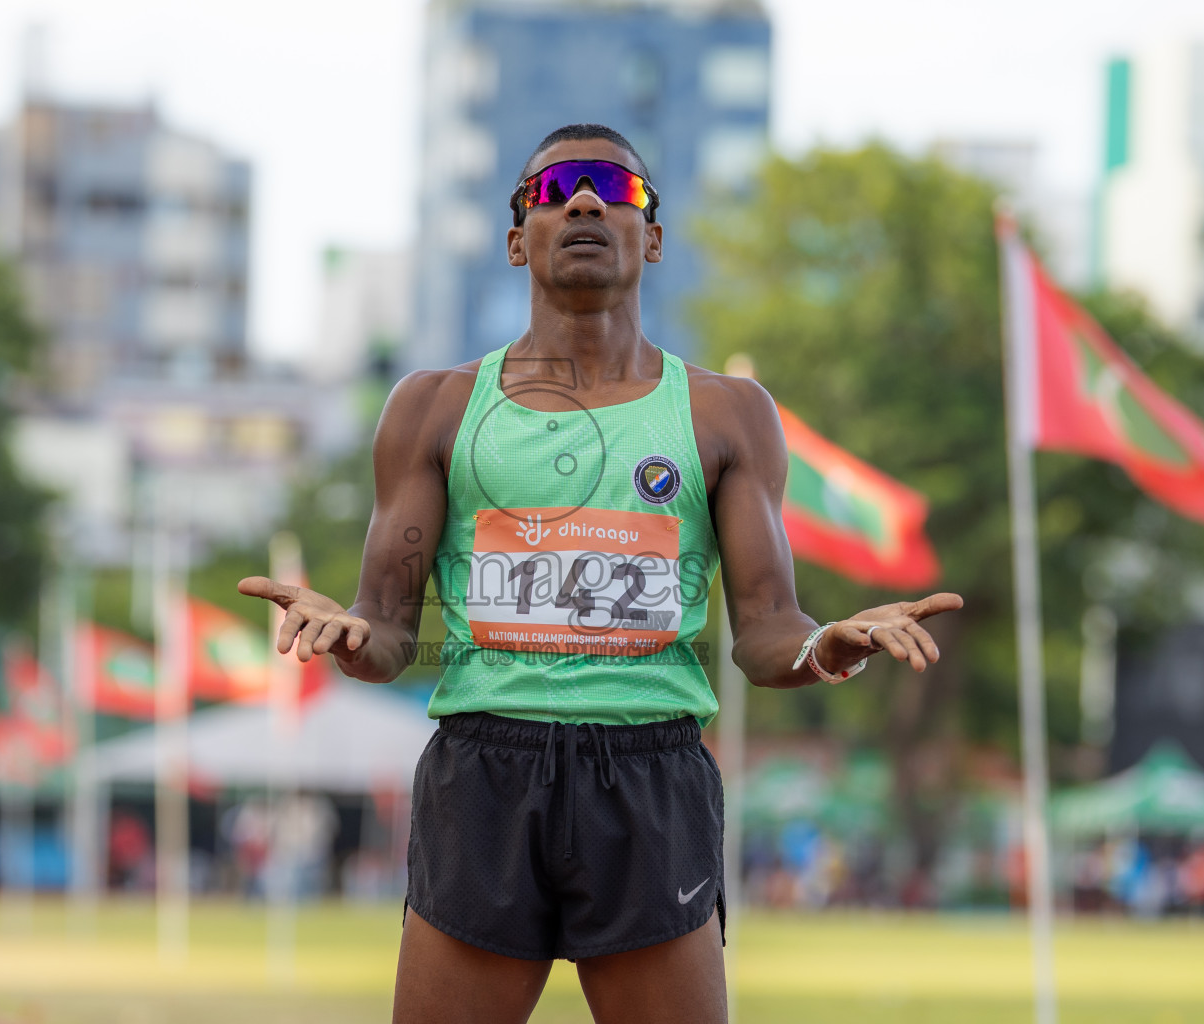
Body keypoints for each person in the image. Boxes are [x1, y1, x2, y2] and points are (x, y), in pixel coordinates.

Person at [239, 123, 963, 1024]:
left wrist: (828, 645)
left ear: (650, 237)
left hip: (648, 773)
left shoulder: (727, 413)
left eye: (615, 189)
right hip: (486, 772)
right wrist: (351, 636)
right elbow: (386, 630)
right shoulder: (433, 406)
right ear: (518, 239)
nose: (583, 200)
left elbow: (767, 629)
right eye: (553, 190)